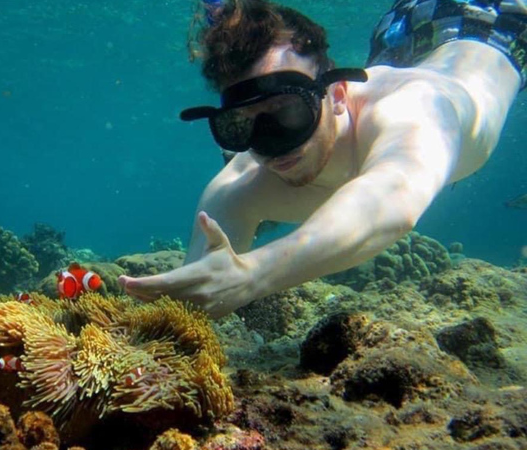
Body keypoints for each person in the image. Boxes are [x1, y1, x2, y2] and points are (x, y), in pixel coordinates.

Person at [118, 0, 527, 318]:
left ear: (338, 95)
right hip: (395, 38)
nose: (271, 145)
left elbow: (394, 199)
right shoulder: (237, 189)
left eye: (288, 114)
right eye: (241, 126)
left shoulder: (417, 107)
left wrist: (255, 274)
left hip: (499, 24)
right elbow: (195, 296)